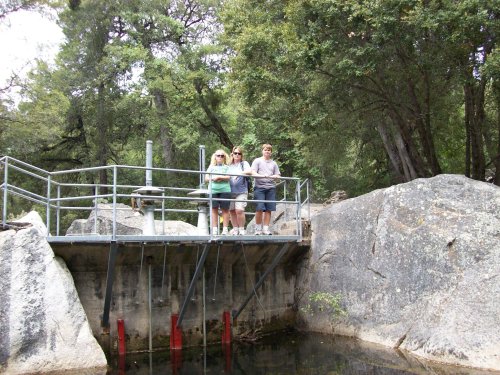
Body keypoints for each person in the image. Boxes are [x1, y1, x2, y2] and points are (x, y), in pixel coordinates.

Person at [251, 144, 280, 235]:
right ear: (262, 151)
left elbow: (278, 175)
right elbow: (253, 173)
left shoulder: (274, 163)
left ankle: (266, 229)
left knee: (268, 209)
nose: (267, 151)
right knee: (259, 208)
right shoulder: (257, 161)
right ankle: (258, 229)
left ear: (271, 152)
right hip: (259, 188)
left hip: (270, 188)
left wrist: (274, 176)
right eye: (265, 150)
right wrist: (262, 176)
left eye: (269, 150)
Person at [205, 149, 231, 235]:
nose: (220, 157)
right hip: (213, 190)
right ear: (215, 157)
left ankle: (225, 229)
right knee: (214, 209)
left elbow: (228, 177)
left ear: (224, 157)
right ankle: (215, 229)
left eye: (222, 156)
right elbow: (206, 178)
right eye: (218, 155)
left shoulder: (227, 167)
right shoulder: (211, 167)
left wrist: (220, 177)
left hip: (225, 190)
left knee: (225, 209)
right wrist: (213, 178)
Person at [228, 146, 252, 235]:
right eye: (235, 153)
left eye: (239, 153)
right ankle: (235, 229)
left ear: (241, 155)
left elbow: (250, 171)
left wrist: (240, 173)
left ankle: (241, 229)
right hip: (230, 191)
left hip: (241, 190)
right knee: (232, 211)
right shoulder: (228, 164)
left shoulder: (244, 164)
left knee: (239, 210)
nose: (237, 155)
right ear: (232, 154)